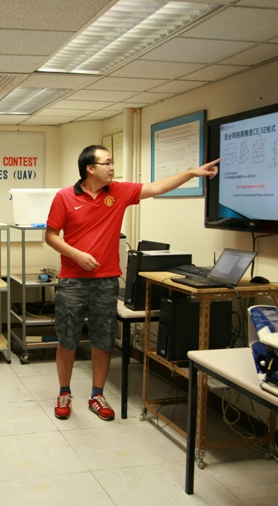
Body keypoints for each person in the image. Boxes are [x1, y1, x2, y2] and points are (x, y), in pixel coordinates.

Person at [46, 145, 220, 421]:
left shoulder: (119, 191)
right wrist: (76, 254)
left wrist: (191, 173)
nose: (112, 168)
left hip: (106, 281)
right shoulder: (64, 197)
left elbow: (158, 187)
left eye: (112, 162)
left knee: (104, 340)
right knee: (67, 339)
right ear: (90, 168)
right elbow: (51, 236)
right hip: (72, 281)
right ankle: (64, 392)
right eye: (107, 163)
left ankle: (97, 395)